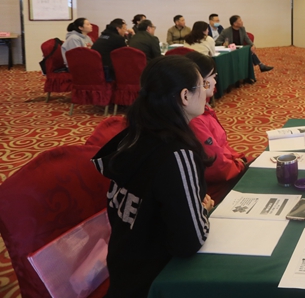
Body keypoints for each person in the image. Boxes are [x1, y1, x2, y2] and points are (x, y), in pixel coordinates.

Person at [91, 56, 213, 297]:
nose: (207, 93)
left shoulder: (133, 136)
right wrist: (201, 211)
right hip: (157, 282)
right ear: (185, 96)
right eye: (203, 85)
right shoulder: (177, 154)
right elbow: (189, 241)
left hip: (124, 273)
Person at [186, 52, 251, 204]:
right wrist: (241, 164)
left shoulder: (203, 110)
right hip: (218, 188)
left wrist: (239, 159)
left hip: (229, 169)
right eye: (213, 76)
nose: (215, 81)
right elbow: (217, 166)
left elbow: (221, 148)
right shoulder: (195, 119)